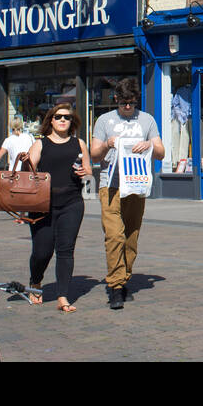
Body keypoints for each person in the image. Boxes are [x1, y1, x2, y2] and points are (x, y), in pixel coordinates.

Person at [90, 77, 163, 310]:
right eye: (123, 103)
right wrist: (107, 144)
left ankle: (125, 277)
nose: (128, 108)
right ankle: (115, 286)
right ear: (116, 100)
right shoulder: (104, 120)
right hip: (110, 184)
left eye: (131, 103)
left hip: (136, 184)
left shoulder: (147, 120)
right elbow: (93, 154)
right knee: (114, 235)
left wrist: (149, 145)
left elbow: (161, 152)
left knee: (131, 237)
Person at [26, 103, 91, 312]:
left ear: (72, 122)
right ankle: (35, 282)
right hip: (43, 204)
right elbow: (30, 170)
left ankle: (63, 296)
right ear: (51, 121)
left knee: (66, 250)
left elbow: (88, 169)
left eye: (67, 117)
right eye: (58, 116)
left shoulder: (79, 143)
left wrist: (85, 172)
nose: (63, 120)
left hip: (72, 202)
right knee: (42, 251)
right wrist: (26, 161)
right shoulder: (40, 144)